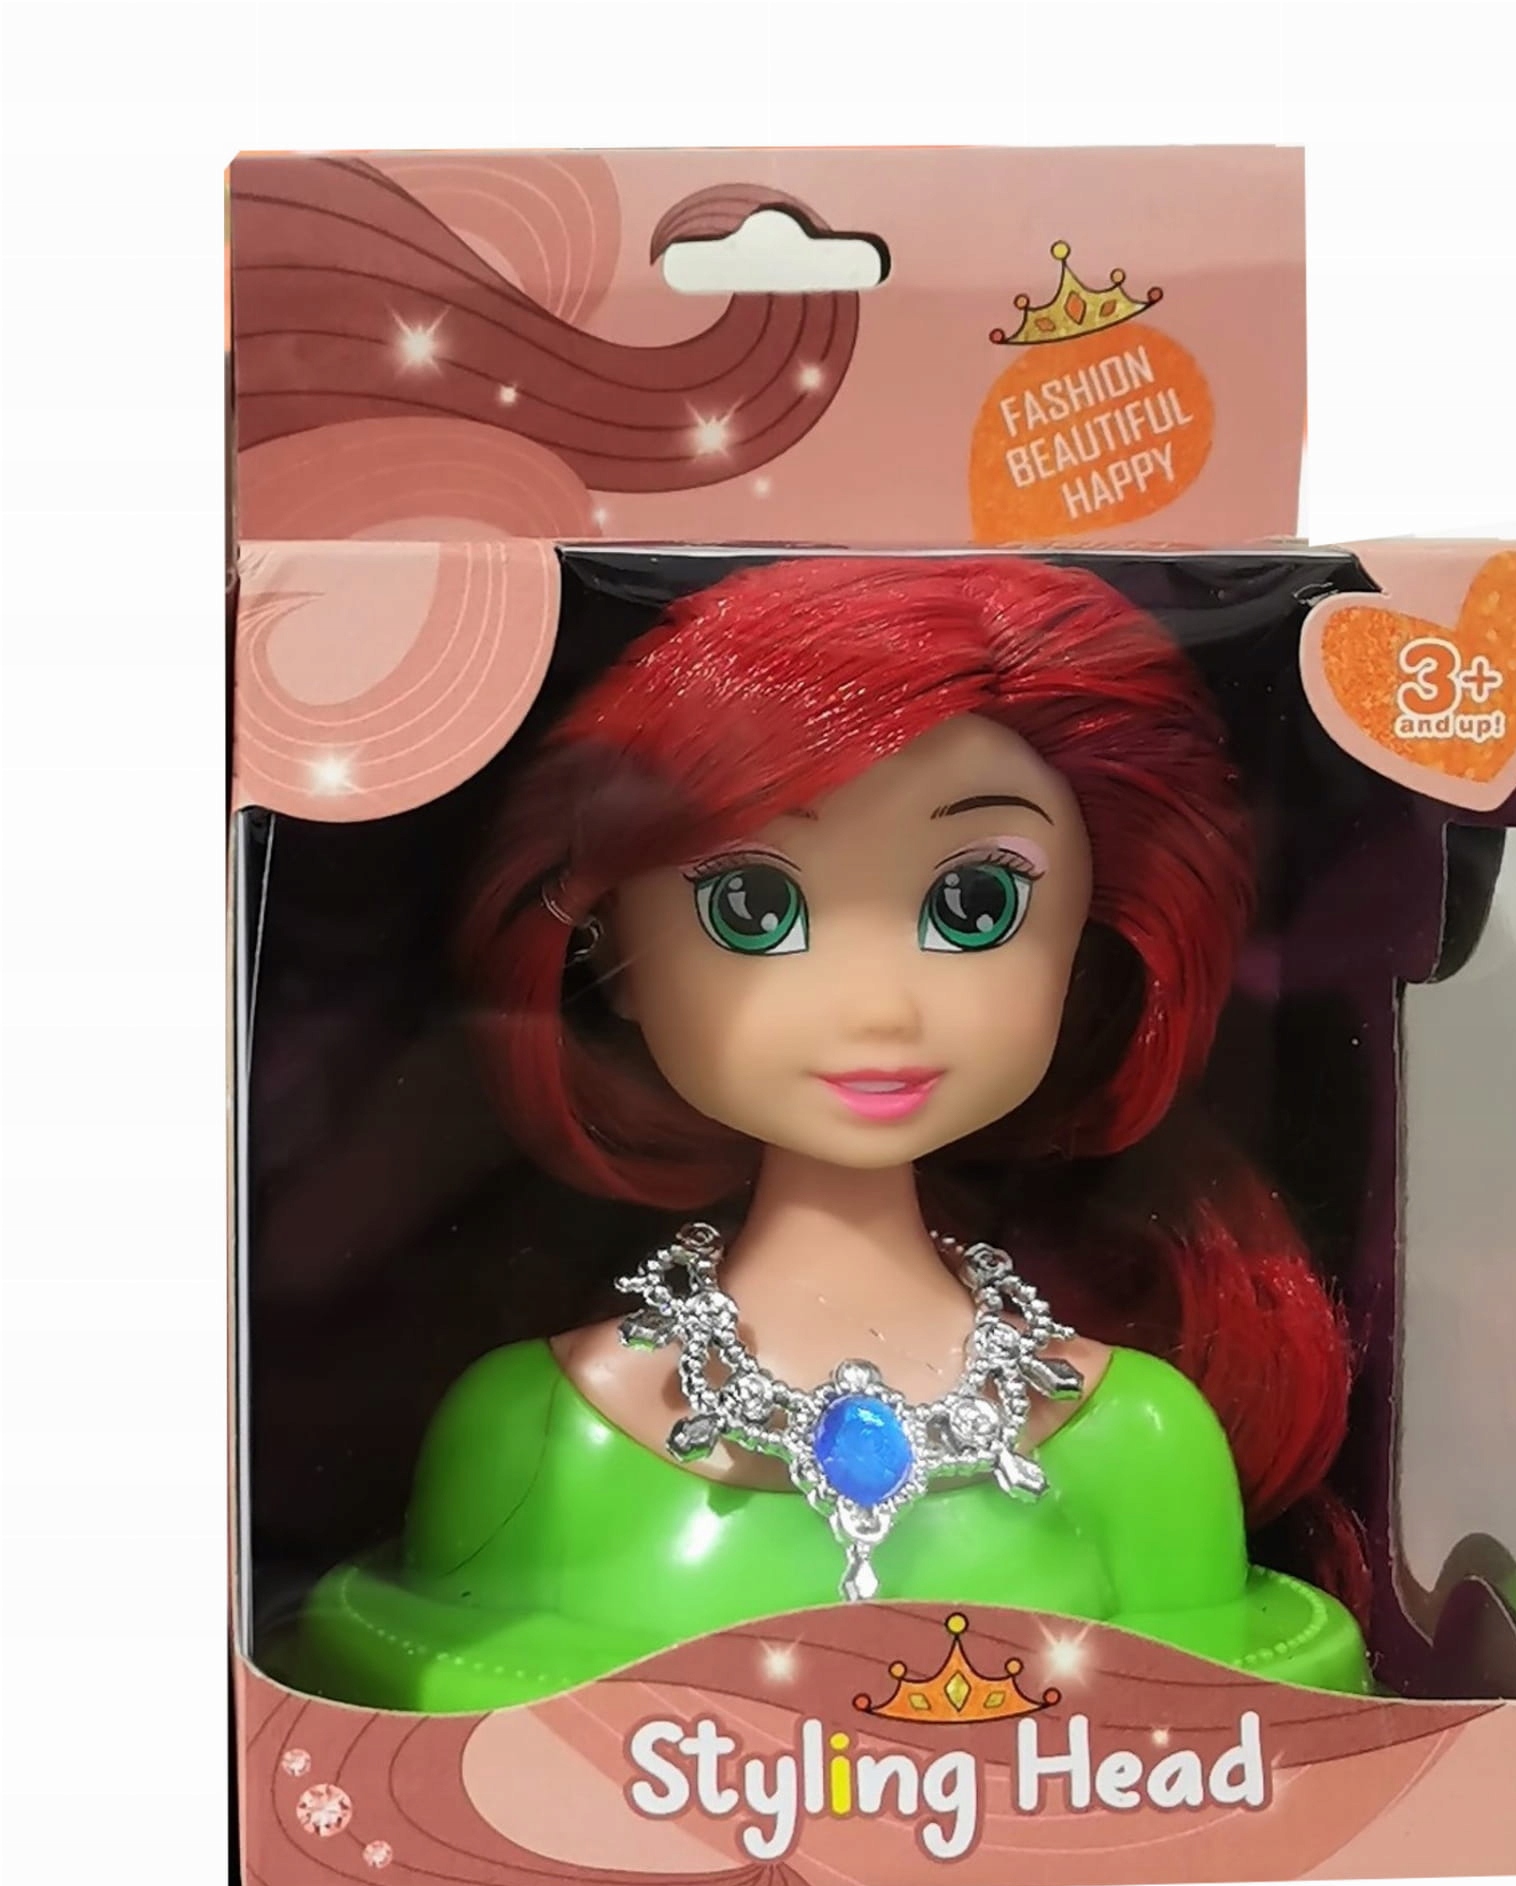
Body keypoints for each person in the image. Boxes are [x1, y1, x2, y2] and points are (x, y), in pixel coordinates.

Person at [290, 554, 1371, 1708]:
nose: (878, 1008)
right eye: (752, 907)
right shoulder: (541, 1440)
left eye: (975, 905)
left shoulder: (1138, 1441)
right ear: (610, 946)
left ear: (1088, 939)